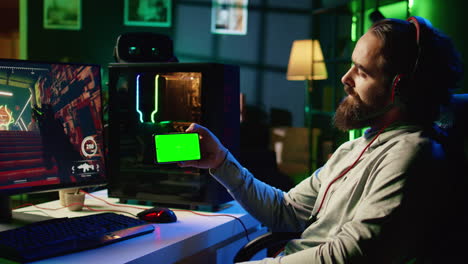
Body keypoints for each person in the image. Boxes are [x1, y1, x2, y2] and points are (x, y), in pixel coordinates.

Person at [180, 16, 464, 263]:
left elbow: (349, 256)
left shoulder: (412, 154)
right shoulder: (355, 148)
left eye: (362, 72)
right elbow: (285, 211)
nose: (345, 78)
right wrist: (220, 161)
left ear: (398, 87)